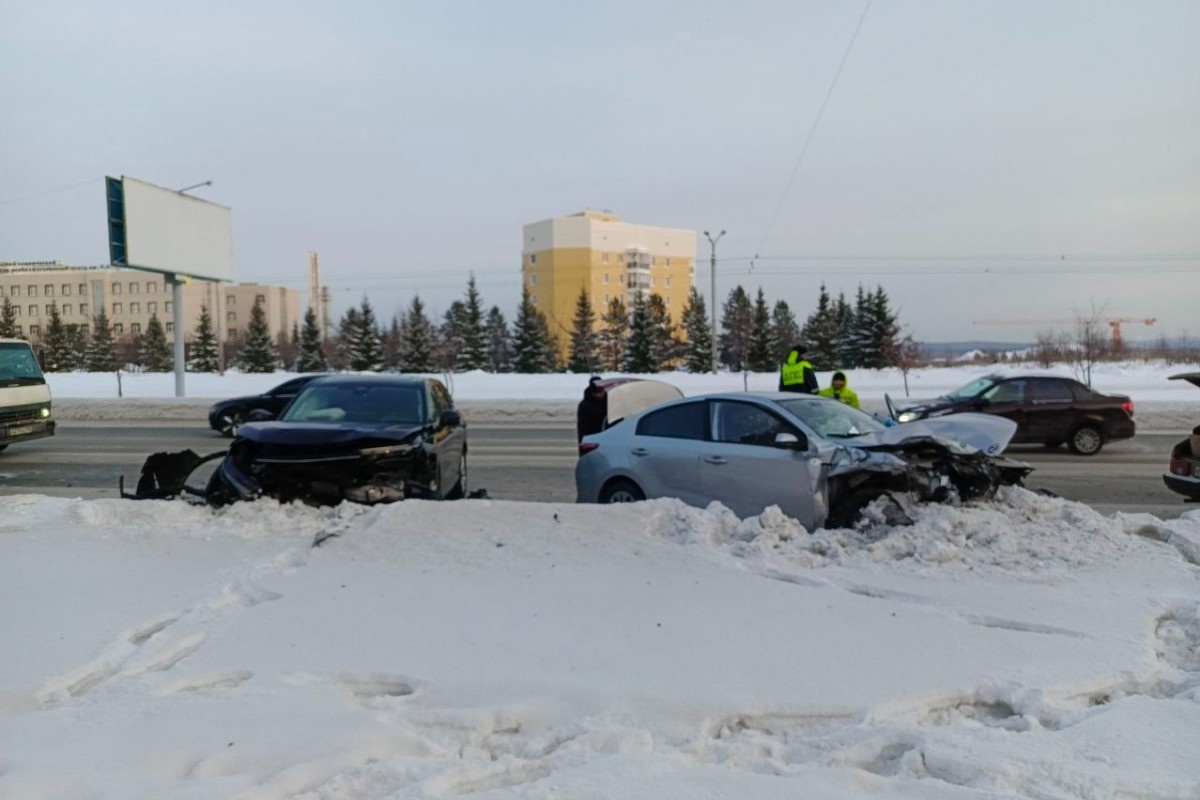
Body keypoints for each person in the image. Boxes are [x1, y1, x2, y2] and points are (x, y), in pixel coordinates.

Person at [577, 376, 608, 443]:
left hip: (608, 436)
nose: (600, 395)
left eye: (601, 392)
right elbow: (583, 427)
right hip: (593, 438)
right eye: (596, 393)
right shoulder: (585, 405)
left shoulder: (608, 402)